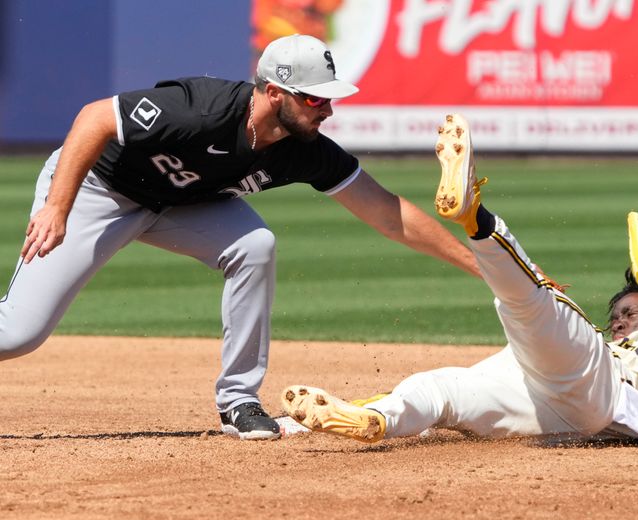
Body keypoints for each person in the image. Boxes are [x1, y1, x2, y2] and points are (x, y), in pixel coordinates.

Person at [0, 35, 479, 440]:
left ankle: (238, 402)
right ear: (274, 92)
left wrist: (481, 264)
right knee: (19, 333)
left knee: (254, 245)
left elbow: (386, 211)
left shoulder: (306, 151)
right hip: (97, 190)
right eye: (313, 98)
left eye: (329, 97)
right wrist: (57, 208)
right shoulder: (201, 109)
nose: (327, 109)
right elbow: (94, 118)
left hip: (178, 204)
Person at [281, 113, 638, 444]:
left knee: (532, 302)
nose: (620, 320)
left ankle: (474, 215)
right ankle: (376, 420)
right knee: (444, 392)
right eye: (619, 313)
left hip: (599, 389)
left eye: (630, 311)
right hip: (554, 418)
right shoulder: (610, 346)